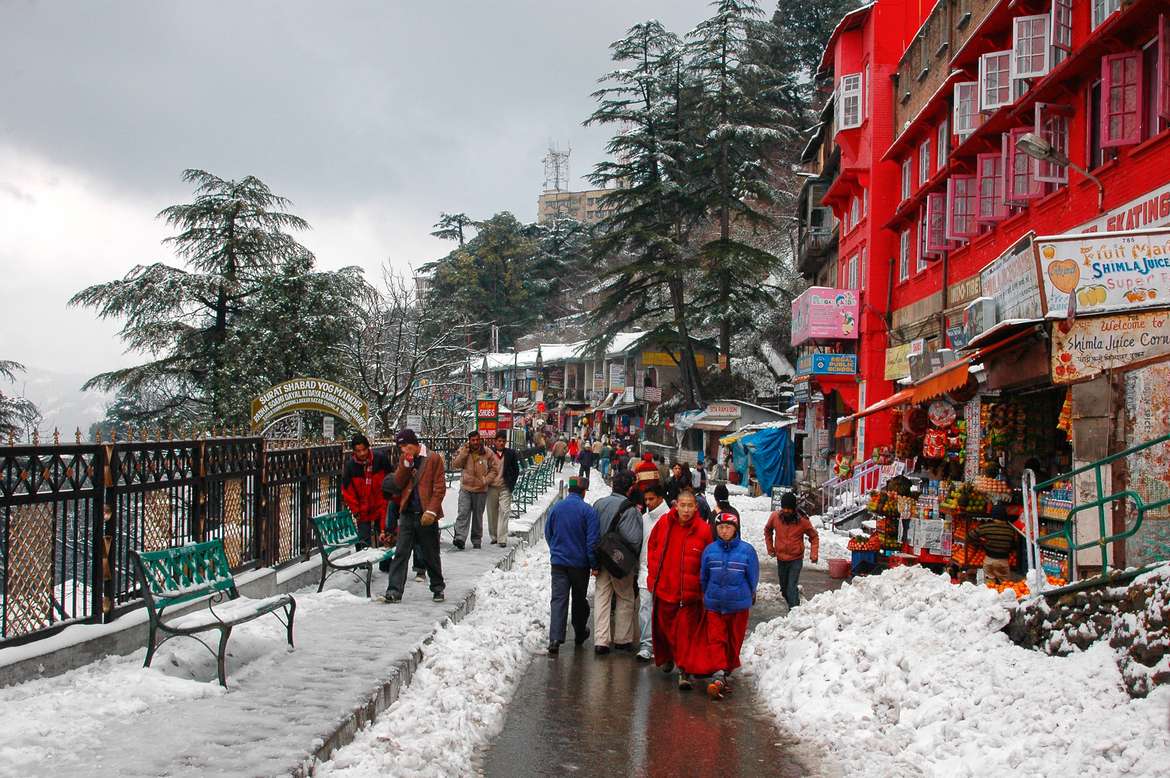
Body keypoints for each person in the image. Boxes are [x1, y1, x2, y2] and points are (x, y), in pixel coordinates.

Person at [646, 487, 713, 690]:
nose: (685, 510)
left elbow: (708, 559)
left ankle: (684, 670)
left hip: (689, 593)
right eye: (682, 505)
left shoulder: (703, 530)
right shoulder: (665, 523)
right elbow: (653, 546)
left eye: (690, 506)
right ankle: (667, 658)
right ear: (676, 505)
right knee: (664, 628)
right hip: (665, 587)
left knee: (685, 632)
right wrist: (653, 573)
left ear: (696, 507)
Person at [381, 429, 446, 604]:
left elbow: (439, 488)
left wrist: (432, 511)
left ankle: (438, 587)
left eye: (405, 446)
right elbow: (398, 483)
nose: (403, 450)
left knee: (430, 553)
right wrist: (406, 465)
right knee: (401, 552)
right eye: (401, 447)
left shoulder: (433, 459)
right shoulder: (405, 460)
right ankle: (394, 590)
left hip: (426, 514)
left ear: (414, 443)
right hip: (408, 513)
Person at [700, 511, 759, 699]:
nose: (724, 531)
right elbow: (704, 576)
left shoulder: (747, 551)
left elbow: (753, 577)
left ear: (735, 529)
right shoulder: (710, 550)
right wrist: (707, 593)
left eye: (728, 527)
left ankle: (727, 668)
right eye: (720, 527)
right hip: (714, 604)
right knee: (716, 638)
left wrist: (749, 595)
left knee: (734, 640)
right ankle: (718, 672)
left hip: (738, 605)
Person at [591, 470, 644, 655]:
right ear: (630, 489)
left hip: (601, 559)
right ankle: (622, 640)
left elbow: (591, 534)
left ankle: (601, 641)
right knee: (625, 597)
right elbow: (634, 540)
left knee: (602, 597)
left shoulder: (598, 504)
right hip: (620, 563)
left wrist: (594, 560)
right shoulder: (630, 510)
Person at [545, 477, 599, 654]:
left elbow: (548, 532)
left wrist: (555, 549)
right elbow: (592, 542)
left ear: (569, 490)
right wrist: (593, 563)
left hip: (559, 563)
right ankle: (579, 632)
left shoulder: (556, 508)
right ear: (583, 492)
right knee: (578, 599)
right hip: (579, 565)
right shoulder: (587, 511)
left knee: (558, 599)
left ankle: (555, 639)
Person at [764, 492, 819, 610]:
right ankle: (796, 603)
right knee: (784, 589)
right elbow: (768, 530)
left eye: (789, 508)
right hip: (781, 558)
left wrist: (814, 553)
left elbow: (814, 536)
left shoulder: (802, 521)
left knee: (790, 588)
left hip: (795, 559)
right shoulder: (775, 517)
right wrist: (770, 548)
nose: (786, 511)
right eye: (784, 508)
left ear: (794, 509)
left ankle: (794, 613)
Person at [636, 482, 670, 662]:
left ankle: (663, 646)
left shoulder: (670, 518)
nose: (648, 502)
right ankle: (646, 644)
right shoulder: (644, 519)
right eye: (646, 499)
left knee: (663, 611)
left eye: (651, 499)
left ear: (660, 498)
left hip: (665, 573)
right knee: (645, 608)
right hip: (646, 570)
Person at [341, 434, 391, 550]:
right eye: (358, 451)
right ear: (354, 452)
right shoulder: (350, 466)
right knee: (364, 540)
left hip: (381, 503)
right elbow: (348, 491)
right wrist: (355, 510)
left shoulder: (380, 459)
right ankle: (364, 565)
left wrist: (389, 500)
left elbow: (390, 479)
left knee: (385, 536)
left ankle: (386, 565)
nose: (362, 453)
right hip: (363, 507)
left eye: (364, 449)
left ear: (368, 447)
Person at [451, 430, 500, 550]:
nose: (475, 442)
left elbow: (495, 469)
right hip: (466, 488)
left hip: (481, 489)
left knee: (478, 516)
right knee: (463, 512)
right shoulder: (464, 451)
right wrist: (463, 453)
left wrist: (486, 480)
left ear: (480, 440)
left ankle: (476, 540)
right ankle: (460, 538)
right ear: (469, 440)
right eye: (473, 440)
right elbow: (455, 464)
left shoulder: (487, 452)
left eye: (477, 440)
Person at [969, 503, 1017, 584]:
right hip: (1003, 562)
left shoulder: (987, 527)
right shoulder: (1011, 530)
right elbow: (1014, 545)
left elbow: (971, 535)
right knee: (1005, 587)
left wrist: (982, 543)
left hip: (989, 561)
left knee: (989, 586)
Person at [487, 430, 519, 547]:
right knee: (492, 513)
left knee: (505, 511)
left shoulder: (510, 454)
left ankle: (502, 538)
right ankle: (494, 536)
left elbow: (516, 470)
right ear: (495, 442)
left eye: (503, 441)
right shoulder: (489, 453)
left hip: (505, 487)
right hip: (492, 487)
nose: (501, 443)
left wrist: (512, 484)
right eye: (499, 441)